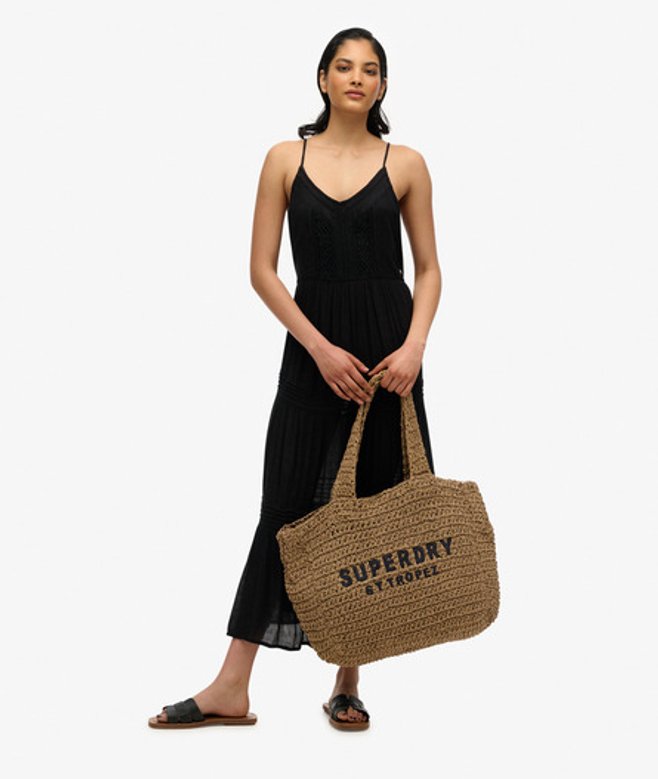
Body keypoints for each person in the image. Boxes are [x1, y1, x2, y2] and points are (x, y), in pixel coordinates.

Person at [148, 26, 442, 732]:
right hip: (314, 353)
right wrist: (318, 349)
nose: (356, 77)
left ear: (383, 85)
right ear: (322, 78)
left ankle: (348, 680)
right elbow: (261, 270)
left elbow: (430, 269)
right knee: (282, 506)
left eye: (370, 69)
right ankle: (232, 685)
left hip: (390, 358)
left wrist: (413, 348)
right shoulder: (286, 157)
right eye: (343, 66)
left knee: (372, 512)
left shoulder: (406, 163)